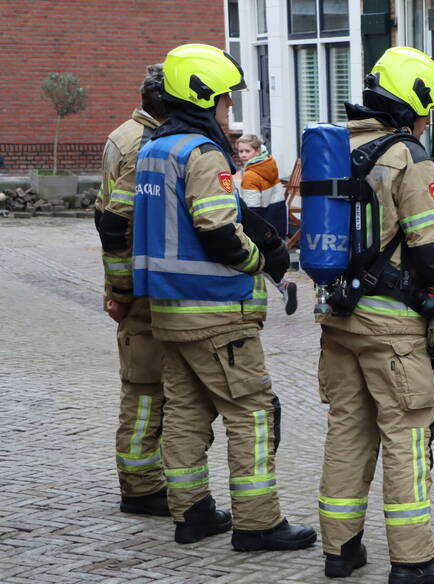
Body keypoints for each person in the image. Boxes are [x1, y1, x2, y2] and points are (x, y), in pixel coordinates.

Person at [132, 43, 315, 550]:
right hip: (216, 312)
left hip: (167, 310)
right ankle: (258, 523)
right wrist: (262, 262)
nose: (229, 112)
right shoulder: (202, 152)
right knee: (251, 412)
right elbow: (217, 230)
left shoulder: (153, 150)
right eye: (226, 102)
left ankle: (191, 513)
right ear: (204, 99)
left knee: (186, 412)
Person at [315, 46, 434, 584]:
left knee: (347, 431)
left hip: (338, 318)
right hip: (391, 327)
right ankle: (413, 559)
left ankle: (340, 549)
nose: (428, 123)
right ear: (412, 104)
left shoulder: (338, 144)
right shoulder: (407, 156)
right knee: (406, 434)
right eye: (427, 112)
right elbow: (431, 251)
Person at [94, 64, 171, 516]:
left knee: (141, 388)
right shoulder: (146, 146)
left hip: (131, 285)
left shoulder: (120, 135)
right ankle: (142, 487)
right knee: (145, 392)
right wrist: (123, 291)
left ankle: (144, 481)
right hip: (144, 291)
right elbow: (116, 225)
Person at [234, 133, 287, 238]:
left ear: (257, 151)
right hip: (277, 219)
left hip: (262, 227)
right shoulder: (269, 165)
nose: (243, 155)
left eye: (247, 151)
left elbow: (251, 207)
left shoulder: (250, 175)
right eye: (241, 151)